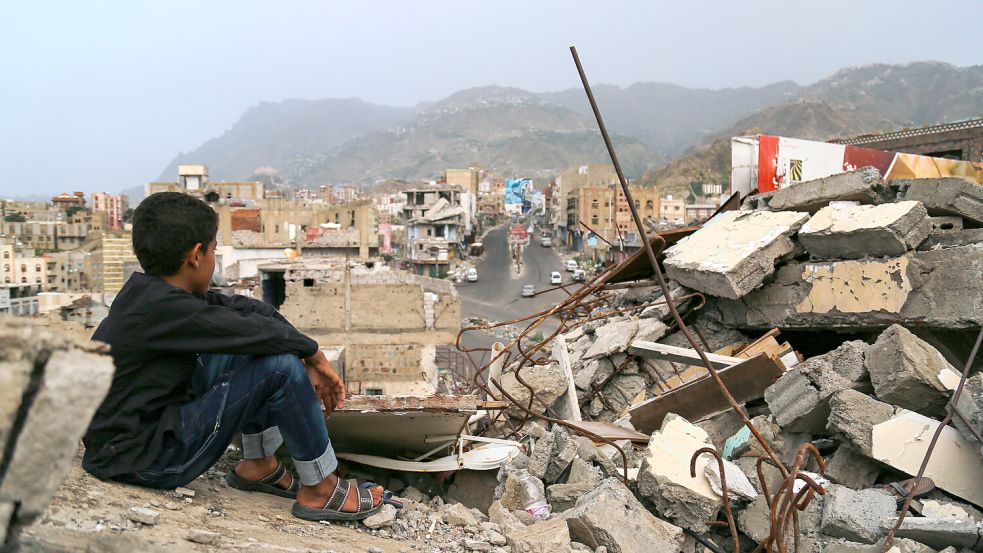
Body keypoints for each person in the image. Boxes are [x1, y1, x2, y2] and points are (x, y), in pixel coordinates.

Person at [82, 192, 383, 521]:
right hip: (145, 461)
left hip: (130, 445)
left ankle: (258, 464)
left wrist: (308, 351)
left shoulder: (153, 296)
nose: (213, 260)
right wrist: (311, 353)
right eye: (213, 250)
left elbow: (246, 311)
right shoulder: (164, 309)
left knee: (259, 349)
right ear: (197, 255)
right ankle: (321, 489)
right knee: (278, 367)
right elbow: (253, 332)